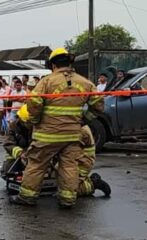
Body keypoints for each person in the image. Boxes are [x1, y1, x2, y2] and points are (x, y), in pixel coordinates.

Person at [9, 48, 104, 208]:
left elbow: (34, 103)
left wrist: (36, 120)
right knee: (69, 166)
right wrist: (83, 120)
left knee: (37, 164)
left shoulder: (46, 82)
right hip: (73, 135)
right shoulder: (85, 83)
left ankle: (27, 197)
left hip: (47, 135)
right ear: (70, 63)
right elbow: (99, 106)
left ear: (53, 64)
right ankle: (67, 200)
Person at [2, 105, 110, 197]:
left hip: (80, 160)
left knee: (64, 190)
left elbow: (56, 148)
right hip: (28, 156)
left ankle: (92, 184)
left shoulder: (77, 129)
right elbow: (8, 143)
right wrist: (21, 153)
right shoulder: (15, 126)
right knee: (7, 172)